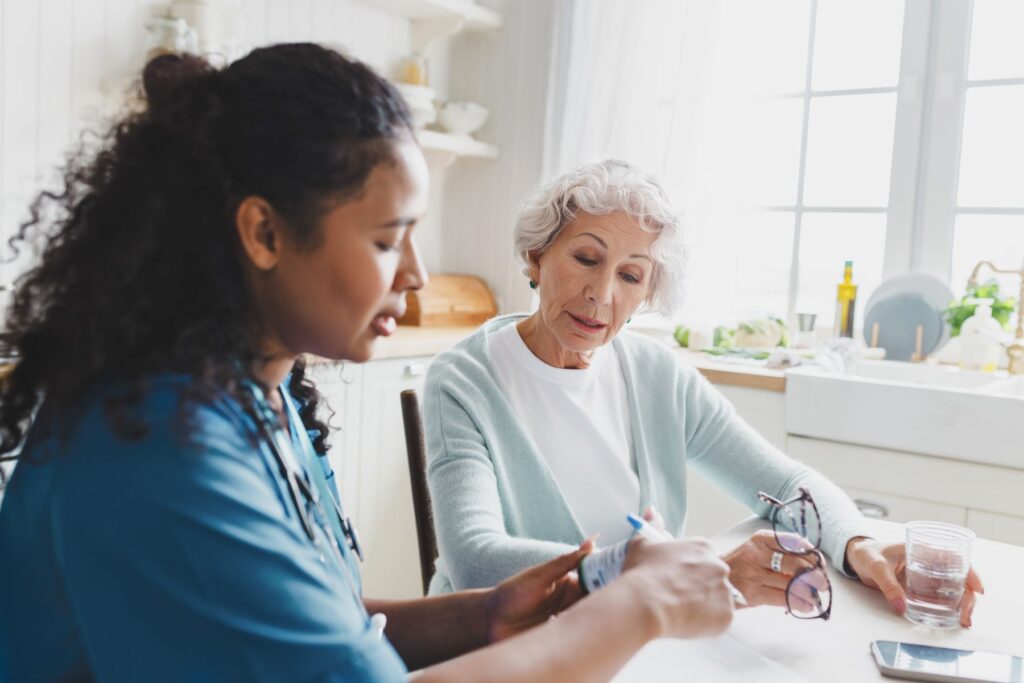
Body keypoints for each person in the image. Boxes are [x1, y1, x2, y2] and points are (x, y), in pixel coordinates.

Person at [0, 45, 738, 682]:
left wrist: (481, 614)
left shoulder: (260, 390)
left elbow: (312, 626)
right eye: (389, 239)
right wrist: (642, 605)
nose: (415, 273)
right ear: (263, 232)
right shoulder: (157, 447)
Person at [422, 159, 984, 625]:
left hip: (633, 640)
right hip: (509, 648)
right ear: (536, 258)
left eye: (631, 275)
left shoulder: (654, 375)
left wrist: (858, 545)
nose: (601, 294)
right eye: (586, 259)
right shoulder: (465, 380)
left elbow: (785, 484)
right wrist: (689, 570)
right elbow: (476, 561)